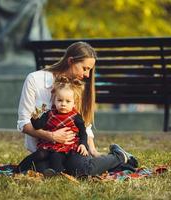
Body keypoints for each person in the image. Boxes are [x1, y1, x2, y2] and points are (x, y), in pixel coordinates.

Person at [17, 41, 137, 176]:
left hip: (72, 150)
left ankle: (118, 157)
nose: (87, 75)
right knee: (39, 169)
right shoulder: (34, 80)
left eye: (90, 70)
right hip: (46, 150)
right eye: (85, 68)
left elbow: (84, 126)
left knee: (81, 170)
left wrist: (93, 151)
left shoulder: (78, 87)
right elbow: (23, 123)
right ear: (70, 61)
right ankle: (112, 163)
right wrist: (51, 136)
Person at [17, 77, 89, 173]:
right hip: (49, 144)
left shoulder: (75, 116)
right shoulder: (50, 114)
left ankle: (56, 172)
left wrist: (83, 144)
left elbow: (83, 132)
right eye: (60, 100)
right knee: (40, 154)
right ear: (54, 101)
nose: (63, 104)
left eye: (68, 101)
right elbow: (38, 126)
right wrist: (35, 117)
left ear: (74, 104)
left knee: (56, 156)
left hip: (66, 148)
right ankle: (19, 168)